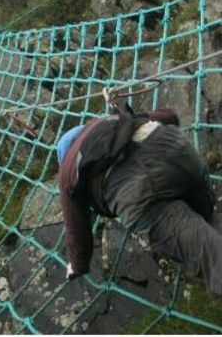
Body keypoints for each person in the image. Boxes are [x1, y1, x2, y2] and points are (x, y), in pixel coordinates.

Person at [57, 104, 222, 295]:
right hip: (172, 147)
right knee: (208, 217)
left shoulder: (67, 172)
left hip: (134, 189)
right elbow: (169, 116)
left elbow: (77, 233)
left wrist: (77, 267)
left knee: (210, 256)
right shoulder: (108, 121)